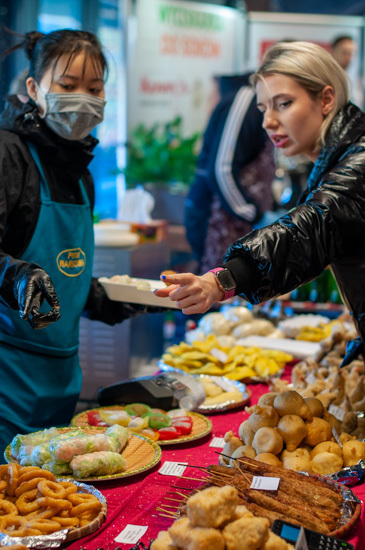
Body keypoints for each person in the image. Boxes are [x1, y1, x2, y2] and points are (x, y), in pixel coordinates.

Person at [155, 41, 365, 364]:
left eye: (283, 104)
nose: (268, 121)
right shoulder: (337, 156)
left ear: (326, 99)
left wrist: (221, 280)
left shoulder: (358, 160)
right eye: (263, 108)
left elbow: (311, 229)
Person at [0, 29, 155, 457]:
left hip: (63, 377)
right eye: (67, 87)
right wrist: (16, 278)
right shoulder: (8, 154)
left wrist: (110, 298)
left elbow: (64, 274)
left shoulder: (80, 171)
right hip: (8, 377)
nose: (82, 98)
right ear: (34, 89)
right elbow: (23, 271)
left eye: (94, 88)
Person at [184, 73, 276, 275]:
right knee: (216, 292)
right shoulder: (247, 99)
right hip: (218, 222)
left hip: (242, 222)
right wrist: (255, 214)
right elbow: (221, 169)